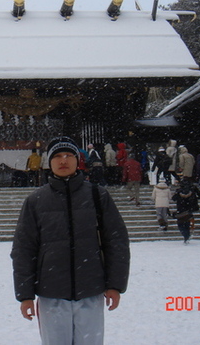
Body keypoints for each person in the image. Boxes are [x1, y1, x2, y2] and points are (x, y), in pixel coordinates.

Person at [11, 136, 130, 345]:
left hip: (90, 291)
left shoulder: (97, 196)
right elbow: (24, 249)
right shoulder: (36, 201)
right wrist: (25, 294)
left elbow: (116, 242)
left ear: (77, 160)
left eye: (68, 155)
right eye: (57, 156)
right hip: (51, 294)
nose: (63, 160)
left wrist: (115, 285)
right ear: (50, 162)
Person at [172, 180, 200, 244]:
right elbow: (196, 198)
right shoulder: (192, 191)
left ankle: (185, 235)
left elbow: (173, 198)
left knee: (181, 225)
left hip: (181, 210)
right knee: (187, 224)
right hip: (188, 210)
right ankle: (187, 235)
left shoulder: (179, 191)